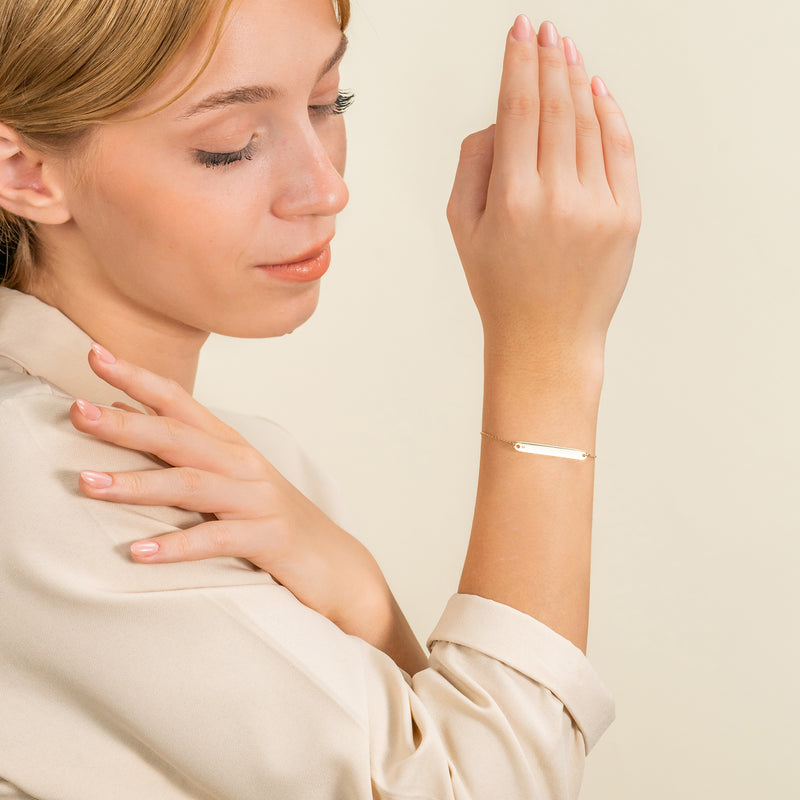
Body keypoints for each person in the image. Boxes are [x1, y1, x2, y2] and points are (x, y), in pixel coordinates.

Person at [0, 0, 641, 797]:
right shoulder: (52, 484)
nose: (325, 188)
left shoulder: (253, 470)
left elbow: (429, 756)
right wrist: (548, 352)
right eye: (227, 148)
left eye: (326, 104)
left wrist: (358, 587)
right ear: (25, 171)